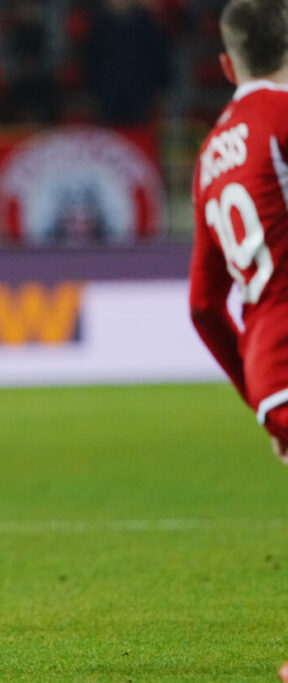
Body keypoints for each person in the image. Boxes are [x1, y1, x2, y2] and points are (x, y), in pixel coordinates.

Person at [189, 0, 288, 467]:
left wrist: (262, 398)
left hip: (271, 381)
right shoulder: (280, 114)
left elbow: (203, 307)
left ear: (228, 66)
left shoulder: (208, 158)